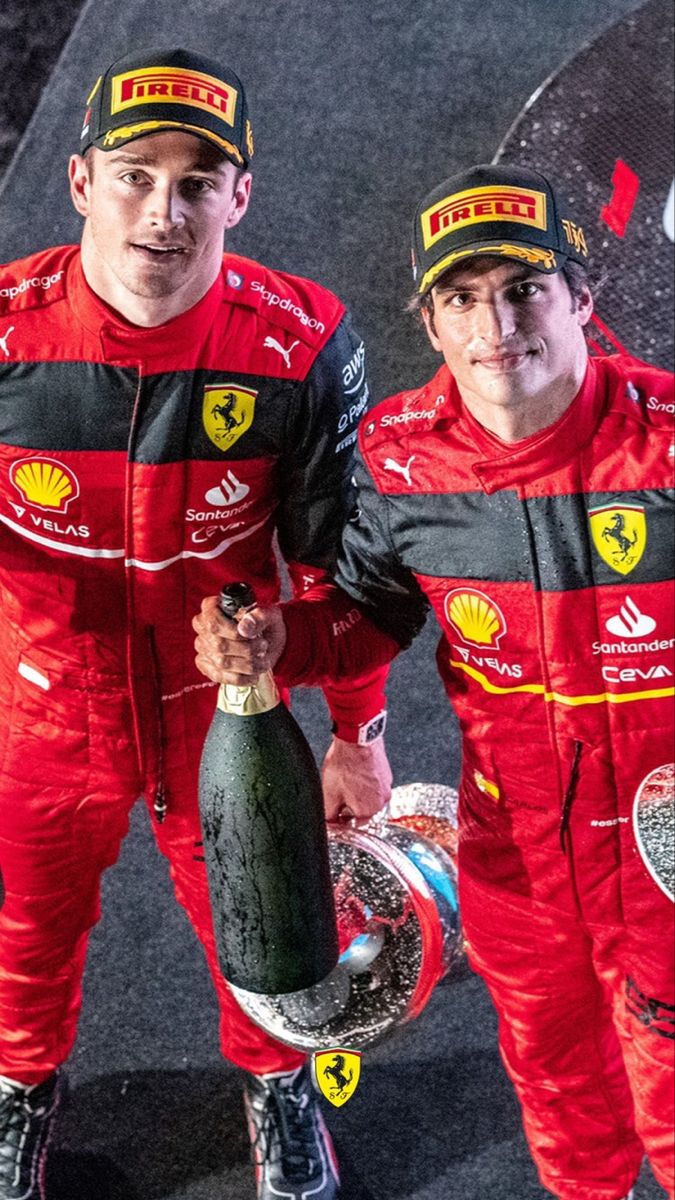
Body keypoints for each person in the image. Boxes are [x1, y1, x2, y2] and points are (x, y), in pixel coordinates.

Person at [196, 164, 675, 1200]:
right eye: (462, 299)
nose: (496, 327)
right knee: (561, 1105)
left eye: (523, 290)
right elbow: (366, 622)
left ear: (582, 299)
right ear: (430, 320)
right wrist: (281, 642)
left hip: (667, 867)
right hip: (518, 871)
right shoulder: (406, 462)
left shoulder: (668, 443)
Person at [0, 46, 392, 1200]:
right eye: (134, 176)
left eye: (197, 182)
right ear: (78, 183)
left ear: (242, 196)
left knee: (269, 932)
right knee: (23, 930)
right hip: (36, 706)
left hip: (225, 712)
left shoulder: (304, 343)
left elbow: (339, 567)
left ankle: (279, 1088)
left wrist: (357, 734)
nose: (163, 215)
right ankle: (20, 1090)